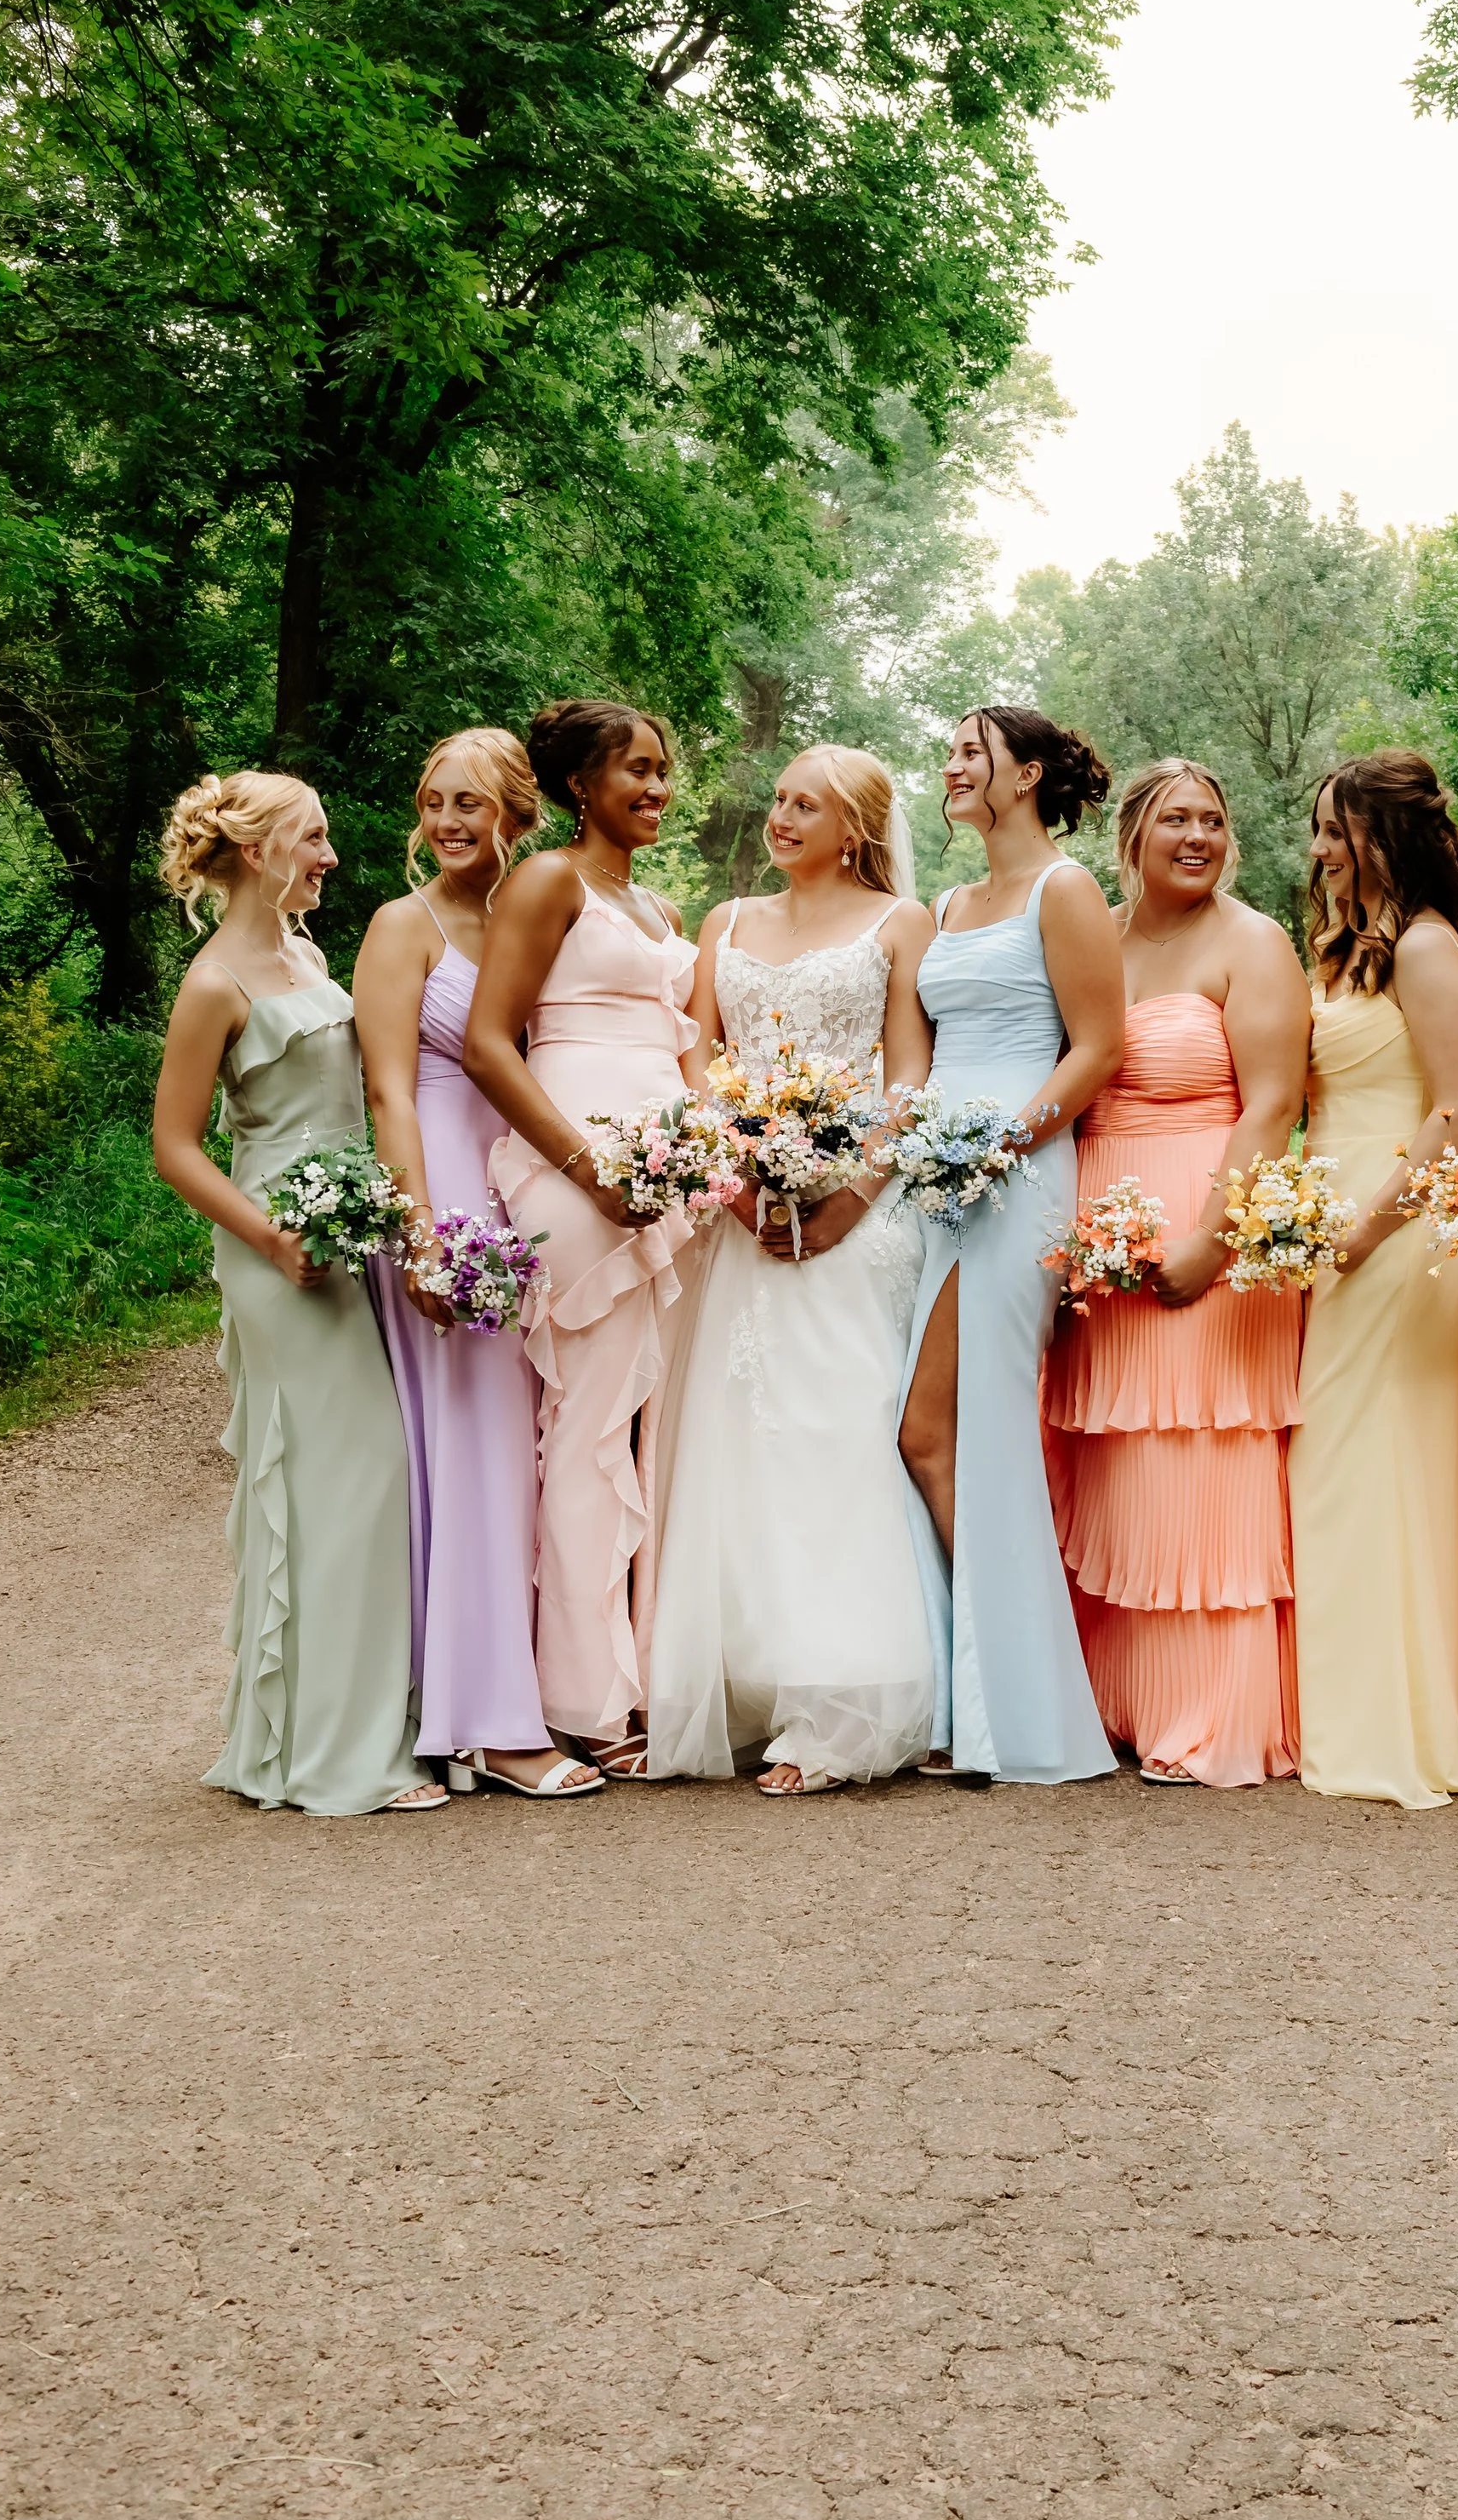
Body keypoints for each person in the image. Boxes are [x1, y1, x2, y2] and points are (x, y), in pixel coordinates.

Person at [150, 770, 439, 1815]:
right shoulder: (215, 983)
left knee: (361, 1488)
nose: (327, 856)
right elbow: (175, 1148)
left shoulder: (309, 956)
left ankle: (339, 1731)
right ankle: (337, 1760)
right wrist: (271, 1240)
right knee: (339, 1482)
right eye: (312, 840)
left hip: (343, 1231)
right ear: (262, 848)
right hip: (278, 1246)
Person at [649, 748, 936, 1792]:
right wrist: (736, 1176)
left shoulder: (901, 925)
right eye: (777, 800)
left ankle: (837, 1715)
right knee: (741, 1446)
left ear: (855, 825)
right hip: (742, 1216)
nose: (780, 817)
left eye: (804, 804)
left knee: (837, 1439)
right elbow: (697, 1056)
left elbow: (908, 1071)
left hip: (855, 1214)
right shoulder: (724, 923)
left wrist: (850, 1190)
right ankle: (743, 1690)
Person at [1043, 760, 1309, 1785]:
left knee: (1196, 1464)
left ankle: (1206, 1716)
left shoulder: (1253, 942)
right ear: (1132, 834)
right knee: (1107, 1465)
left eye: (1212, 820)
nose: (1196, 837)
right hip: (1096, 1241)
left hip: (1210, 1226)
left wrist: (1213, 1238)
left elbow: (1273, 1101)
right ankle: (1112, 1701)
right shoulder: (1092, 937)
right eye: (1175, 820)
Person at [353, 730, 598, 1801]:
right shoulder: (402, 927)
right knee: (478, 1456)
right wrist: (423, 1232)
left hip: (521, 1186)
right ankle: (493, 1727)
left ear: (517, 815)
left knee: (528, 1457)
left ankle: (496, 1699)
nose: (451, 823)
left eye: (474, 805)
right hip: (448, 1190)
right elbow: (389, 1092)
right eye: (437, 802)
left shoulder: (533, 917)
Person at [463, 700, 698, 1781]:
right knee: (593, 1424)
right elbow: (486, 1046)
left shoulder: (651, 901)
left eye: (661, 772)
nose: (655, 789)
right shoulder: (548, 882)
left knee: (650, 1431)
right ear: (579, 787)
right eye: (635, 772)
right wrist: (585, 1166)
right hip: (578, 1170)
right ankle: (580, 1699)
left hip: (667, 1182)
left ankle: (639, 1667)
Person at [897, 706, 1125, 1784]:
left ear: (1025, 775)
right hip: (937, 1177)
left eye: (969, 753)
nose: (950, 767)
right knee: (929, 1435)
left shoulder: (1063, 891)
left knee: (958, 1432)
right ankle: (971, 1699)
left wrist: (1000, 1143)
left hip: (1018, 1172)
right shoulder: (946, 904)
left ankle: (1016, 1718)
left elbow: (1097, 1047)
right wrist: (927, 1149)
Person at [1289, 750, 1458, 1810]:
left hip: (1393, 1224)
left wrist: (1369, 1230)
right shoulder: (1342, 950)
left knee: (1374, 1460)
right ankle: (1345, 1694)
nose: (1319, 850)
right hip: (1329, 1212)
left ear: (1382, 837)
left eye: (1335, 830)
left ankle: (1396, 1719)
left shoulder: (1422, 946)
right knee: (1335, 1462)